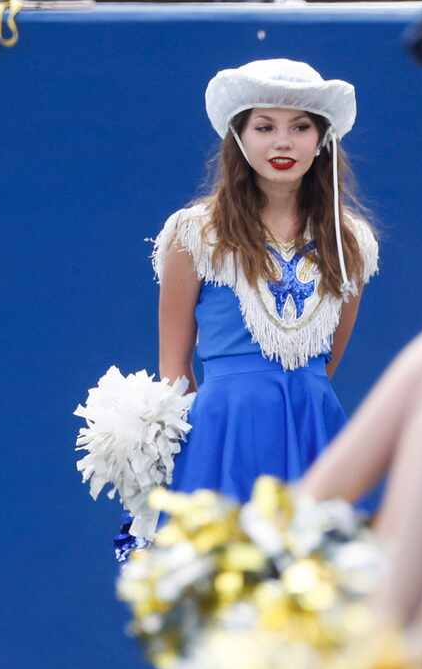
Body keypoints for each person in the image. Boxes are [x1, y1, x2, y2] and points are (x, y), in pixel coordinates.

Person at [155, 58, 378, 500]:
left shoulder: (352, 241)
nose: (283, 142)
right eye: (264, 127)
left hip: (311, 427)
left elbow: (327, 361)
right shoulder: (195, 234)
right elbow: (174, 366)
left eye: (300, 127)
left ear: (322, 139)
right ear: (238, 136)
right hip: (221, 436)